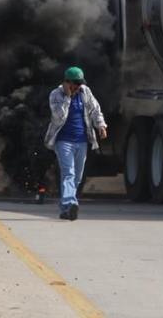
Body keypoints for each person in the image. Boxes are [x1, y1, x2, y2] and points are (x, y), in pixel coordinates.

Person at [44, 66, 108, 220]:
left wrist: (101, 125)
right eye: (76, 84)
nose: (78, 86)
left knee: (77, 177)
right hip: (63, 141)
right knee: (68, 173)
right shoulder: (56, 94)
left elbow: (95, 109)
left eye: (80, 83)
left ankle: (66, 209)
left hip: (82, 141)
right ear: (67, 82)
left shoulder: (85, 91)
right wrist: (67, 97)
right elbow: (58, 117)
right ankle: (71, 202)